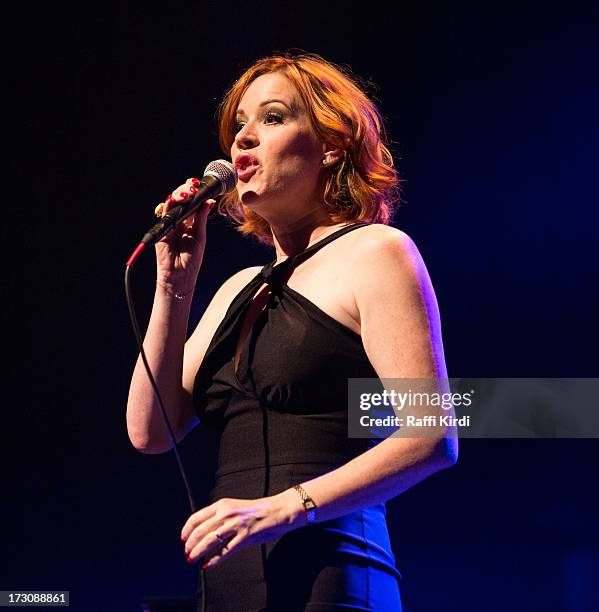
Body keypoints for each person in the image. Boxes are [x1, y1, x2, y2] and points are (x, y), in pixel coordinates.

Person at [127, 52, 458, 611]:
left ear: (331, 143)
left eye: (273, 117)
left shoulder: (376, 252)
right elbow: (149, 431)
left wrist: (285, 506)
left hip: (332, 581)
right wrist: (173, 283)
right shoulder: (238, 289)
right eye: (238, 126)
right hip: (225, 591)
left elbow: (432, 436)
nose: (243, 140)